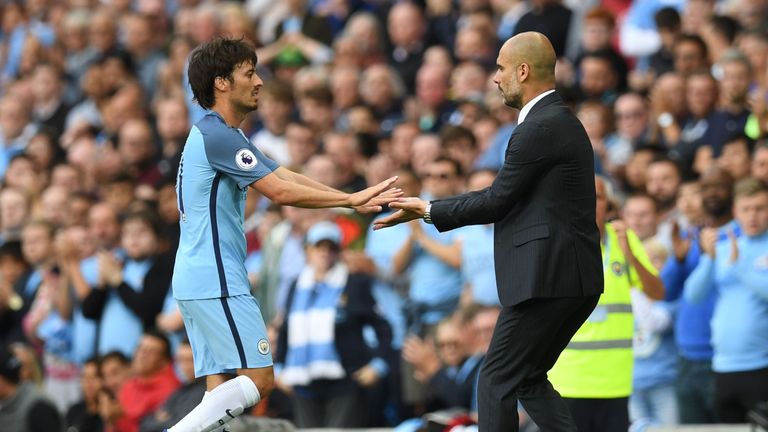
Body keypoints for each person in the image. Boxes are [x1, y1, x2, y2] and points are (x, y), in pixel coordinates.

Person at [168, 37, 400, 432]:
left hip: (195, 277)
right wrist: (346, 198)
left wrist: (350, 198)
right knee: (259, 380)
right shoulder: (219, 136)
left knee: (219, 391)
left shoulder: (216, 135)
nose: (259, 81)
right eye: (249, 73)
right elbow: (277, 190)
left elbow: (281, 174)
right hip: (217, 275)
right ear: (221, 83)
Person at [374, 32, 603, 432]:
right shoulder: (554, 121)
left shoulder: (540, 126)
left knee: (495, 378)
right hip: (565, 277)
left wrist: (428, 209)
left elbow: (498, 199)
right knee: (527, 378)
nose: (495, 78)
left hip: (545, 280)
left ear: (523, 70)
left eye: (500, 68)